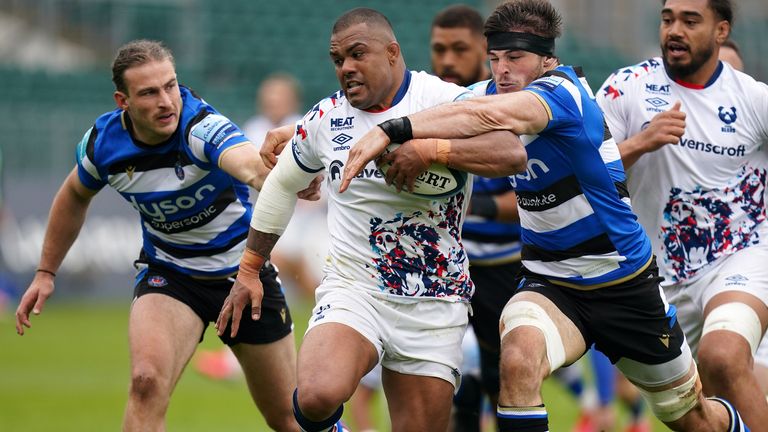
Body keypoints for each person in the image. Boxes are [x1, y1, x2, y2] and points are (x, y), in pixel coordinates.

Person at [341, 0, 750, 431]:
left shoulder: (564, 93)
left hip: (623, 282)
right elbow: (420, 104)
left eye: (515, 58)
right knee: (516, 360)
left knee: (691, 418)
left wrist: (400, 133)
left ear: (547, 58)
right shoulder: (489, 95)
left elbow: (489, 116)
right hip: (550, 281)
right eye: (495, 59)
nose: (502, 71)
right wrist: (301, 135)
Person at [215, 8, 528, 432]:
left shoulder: (444, 101)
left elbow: (510, 153)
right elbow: (280, 185)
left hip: (433, 300)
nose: (346, 67)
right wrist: (249, 270)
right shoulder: (325, 118)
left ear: (393, 53)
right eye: (337, 59)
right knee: (316, 394)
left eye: (357, 54)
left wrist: (432, 150)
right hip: (354, 287)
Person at [13, 39, 321, 432]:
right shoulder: (103, 144)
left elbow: (248, 166)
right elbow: (74, 194)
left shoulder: (200, 127)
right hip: (170, 275)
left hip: (242, 275)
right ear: (122, 101)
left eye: (170, 86)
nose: (166, 101)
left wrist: (289, 180)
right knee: (145, 384)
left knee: (290, 418)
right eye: (149, 92)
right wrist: (46, 271)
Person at [596, 0, 768, 428]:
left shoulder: (753, 100)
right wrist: (642, 141)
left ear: (721, 30)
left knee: (723, 357)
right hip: (655, 280)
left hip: (737, 260)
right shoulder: (627, 87)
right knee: (696, 417)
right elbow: (577, 171)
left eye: (691, 21)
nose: (675, 30)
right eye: (668, 18)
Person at [431, 5, 522, 431]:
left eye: (459, 49)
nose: (447, 60)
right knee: (437, 378)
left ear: (485, 52)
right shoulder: (427, 107)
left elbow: (528, 202)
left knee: (505, 381)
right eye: (439, 49)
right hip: (444, 267)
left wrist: (470, 206)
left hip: (501, 266)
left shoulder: (507, 108)